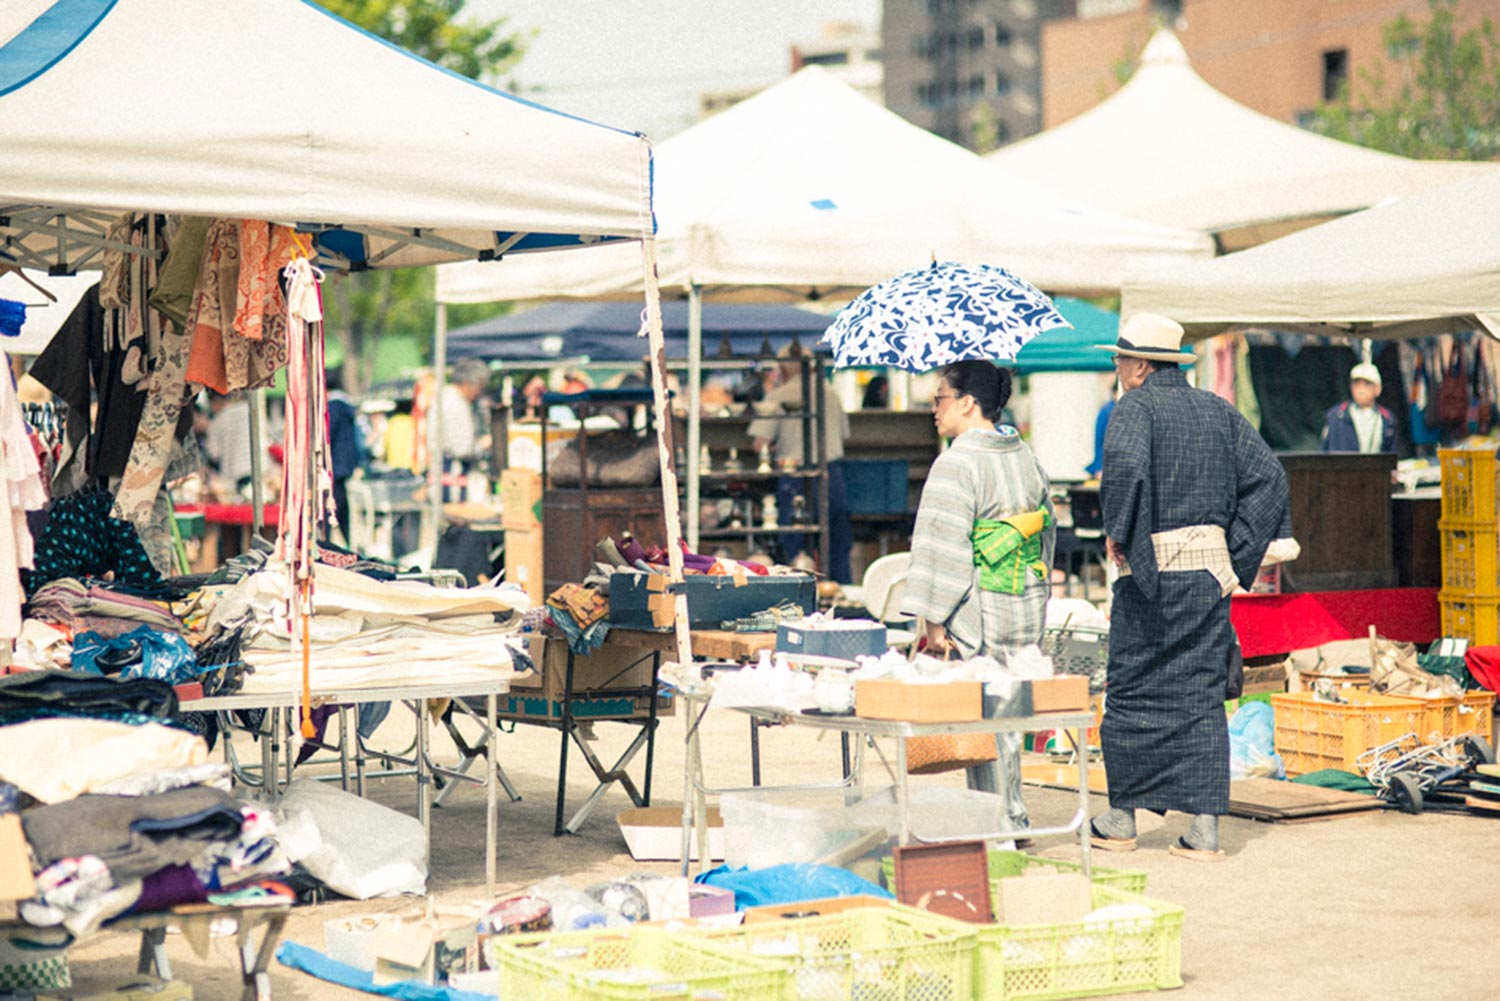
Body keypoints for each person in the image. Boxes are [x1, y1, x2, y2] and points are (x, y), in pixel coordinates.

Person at [1092, 313, 1289, 861]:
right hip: (1208, 575)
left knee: (1130, 689)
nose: (1117, 366)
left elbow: (1125, 472)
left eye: (1119, 358)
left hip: (1152, 575)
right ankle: (1203, 829)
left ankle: (1122, 817)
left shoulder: (1135, 406)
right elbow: (1270, 477)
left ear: (1137, 366)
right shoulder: (1217, 410)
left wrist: (1120, 533)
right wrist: (1238, 550)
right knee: (1202, 694)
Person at [902, 361, 1054, 831]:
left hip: (981, 604)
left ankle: (1002, 821)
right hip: (1025, 595)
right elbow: (1046, 522)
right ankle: (1013, 813)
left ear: (967, 403)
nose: (934, 409)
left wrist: (933, 616)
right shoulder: (1023, 453)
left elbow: (943, 542)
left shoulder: (957, 461)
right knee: (1008, 711)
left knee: (986, 715)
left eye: (939, 398)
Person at [747, 344, 852, 583]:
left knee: (793, 545)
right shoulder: (831, 394)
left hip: (793, 475)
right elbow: (843, 434)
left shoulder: (779, 396)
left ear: (783, 368)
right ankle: (838, 595)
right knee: (836, 546)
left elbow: (759, 444)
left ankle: (793, 596)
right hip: (830, 472)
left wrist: (776, 448)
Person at [1321, 362, 1395, 453]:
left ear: (1378, 389)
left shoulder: (1387, 418)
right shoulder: (1337, 416)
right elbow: (1325, 451)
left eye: (1367, 384)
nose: (1361, 390)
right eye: (1356, 384)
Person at [440, 359, 492, 468]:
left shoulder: (445, 398)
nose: (478, 393)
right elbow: (462, 449)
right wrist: (484, 443)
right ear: (468, 384)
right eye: (479, 387)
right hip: (454, 473)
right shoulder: (456, 404)